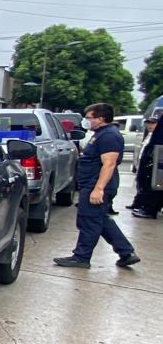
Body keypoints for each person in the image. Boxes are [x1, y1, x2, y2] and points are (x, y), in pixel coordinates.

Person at [54, 103, 139, 268]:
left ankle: (81, 257)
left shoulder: (109, 136)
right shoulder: (100, 134)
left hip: (97, 185)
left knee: (89, 222)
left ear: (101, 118)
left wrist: (98, 189)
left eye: (89, 117)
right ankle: (126, 252)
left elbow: (109, 164)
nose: (86, 121)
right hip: (92, 184)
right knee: (99, 219)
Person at [131, 116, 163, 218]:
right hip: (156, 154)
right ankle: (148, 207)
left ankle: (150, 209)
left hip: (158, 155)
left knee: (154, 184)